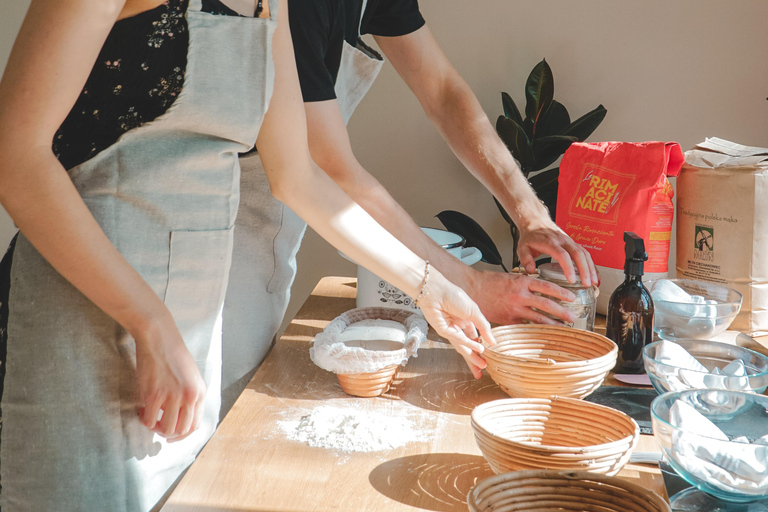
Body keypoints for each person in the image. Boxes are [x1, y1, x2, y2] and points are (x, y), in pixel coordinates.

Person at [0, 0, 494, 509]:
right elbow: (15, 157)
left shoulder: (267, 3)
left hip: (190, 332)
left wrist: (431, 284)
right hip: (87, 312)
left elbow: (297, 176)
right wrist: (149, 322)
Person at [221, 0, 599, 412]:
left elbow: (443, 92)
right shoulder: (300, 8)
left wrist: (531, 213)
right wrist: (465, 285)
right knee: (210, 408)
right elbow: (330, 170)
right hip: (227, 230)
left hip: (281, 225)